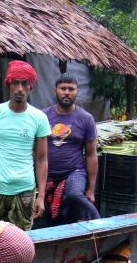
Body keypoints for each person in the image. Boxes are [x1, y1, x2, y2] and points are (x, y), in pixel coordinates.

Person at [0, 60, 51, 231]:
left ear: (31, 87)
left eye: (24, 83)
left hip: (25, 191)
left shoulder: (39, 118)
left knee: (22, 240)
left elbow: (41, 159)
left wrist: (41, 196)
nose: (19, 89)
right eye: (15, 83)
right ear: (8, 85)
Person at [37, 73, 100, 227]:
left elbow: (91, 155)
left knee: (73, 194)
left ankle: (99, 224)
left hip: (74, 171)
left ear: (77, 92)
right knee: (50, 217)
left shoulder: (85, 118)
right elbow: (34, 149)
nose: (66, 92)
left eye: (71, 89)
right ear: (55, 91)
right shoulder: (42, 116)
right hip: (47, 173)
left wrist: (91, 190)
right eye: (62, 88)